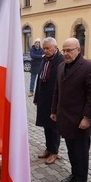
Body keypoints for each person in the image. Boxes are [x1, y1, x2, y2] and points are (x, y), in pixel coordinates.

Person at [51, 38, 91, 182]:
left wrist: (87, 117)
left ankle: (82, 180)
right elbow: (57, 91)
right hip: (65, 117)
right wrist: (53, 110)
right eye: (64, 50)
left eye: (69, 50)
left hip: (80, 120)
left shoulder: (89, 68)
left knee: (81, 152)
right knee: (71, 150)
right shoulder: (60, 67)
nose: (66, 53)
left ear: (79, 50)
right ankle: (74, 173)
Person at [34, 37, 63, 165]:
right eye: (44, 48)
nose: (45, 51)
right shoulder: (44, 59)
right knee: (46, 125)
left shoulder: (61, 61)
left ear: (55, 48)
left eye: (48, 48)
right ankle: (48, 148)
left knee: (54, 127)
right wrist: (36, 97)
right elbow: (39, 79)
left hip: (55, 98)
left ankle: (54, 152)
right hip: (43, 98)